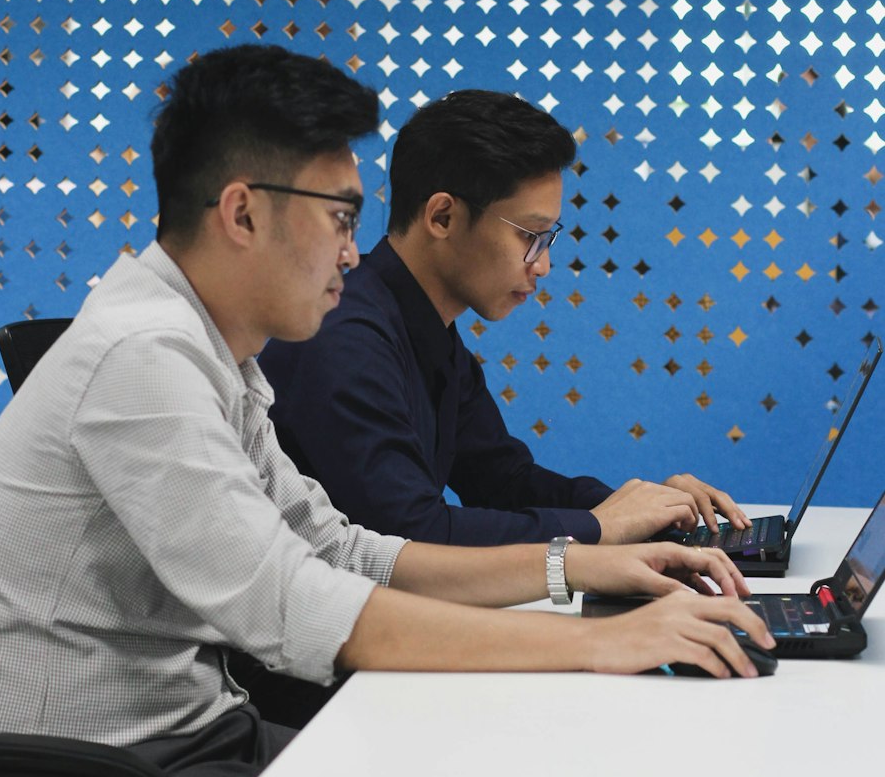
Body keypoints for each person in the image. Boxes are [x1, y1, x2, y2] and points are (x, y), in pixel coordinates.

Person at [0, 46, 772, 777]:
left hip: (187, 752)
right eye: (338, 216)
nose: (352, 249)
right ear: (243, 213)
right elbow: (292, 603)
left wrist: (581, 567)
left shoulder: (214, 353)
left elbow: (346, 550)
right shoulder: (142, 357)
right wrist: (595, 644)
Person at [262, 88, 749, 546]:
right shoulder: (345, 338)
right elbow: (409, 535)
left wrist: (643, 509)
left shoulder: (431, 333)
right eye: (529, 235)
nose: (542, 265)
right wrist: (599, 528)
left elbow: (501, 480)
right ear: (443, 218)